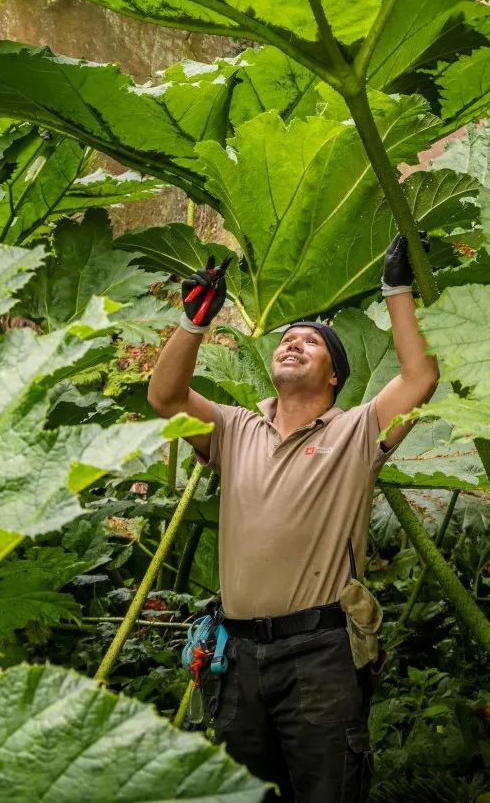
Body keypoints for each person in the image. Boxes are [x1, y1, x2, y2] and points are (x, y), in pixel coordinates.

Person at [148, 233, 440, 803]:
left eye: (312, 342)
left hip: (320, 653)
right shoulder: (233, 429)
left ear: (334, 377)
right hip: (237, 657)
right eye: (288, 339)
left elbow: (419, 378)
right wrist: (193, 324)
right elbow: (165, 397)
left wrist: (396, 289)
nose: (294, 344)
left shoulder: (355, 433)